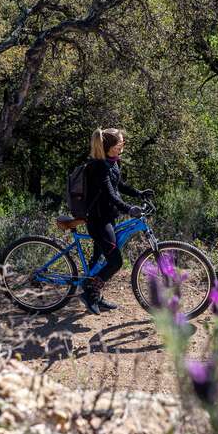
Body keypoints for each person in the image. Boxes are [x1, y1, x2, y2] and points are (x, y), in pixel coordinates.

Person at [79, 128, 154, 315]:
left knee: (98, 259)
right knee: (115, 262)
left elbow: (118, 185)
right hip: (98, 220)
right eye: (120, 143)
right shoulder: (98, 167)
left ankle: (93, 293)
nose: (123, 145)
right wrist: (129, 208)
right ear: (110, 147)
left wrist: (138, 193)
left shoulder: (111, 162)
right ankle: (89, 294)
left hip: (107, 217)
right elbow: (110, 195)